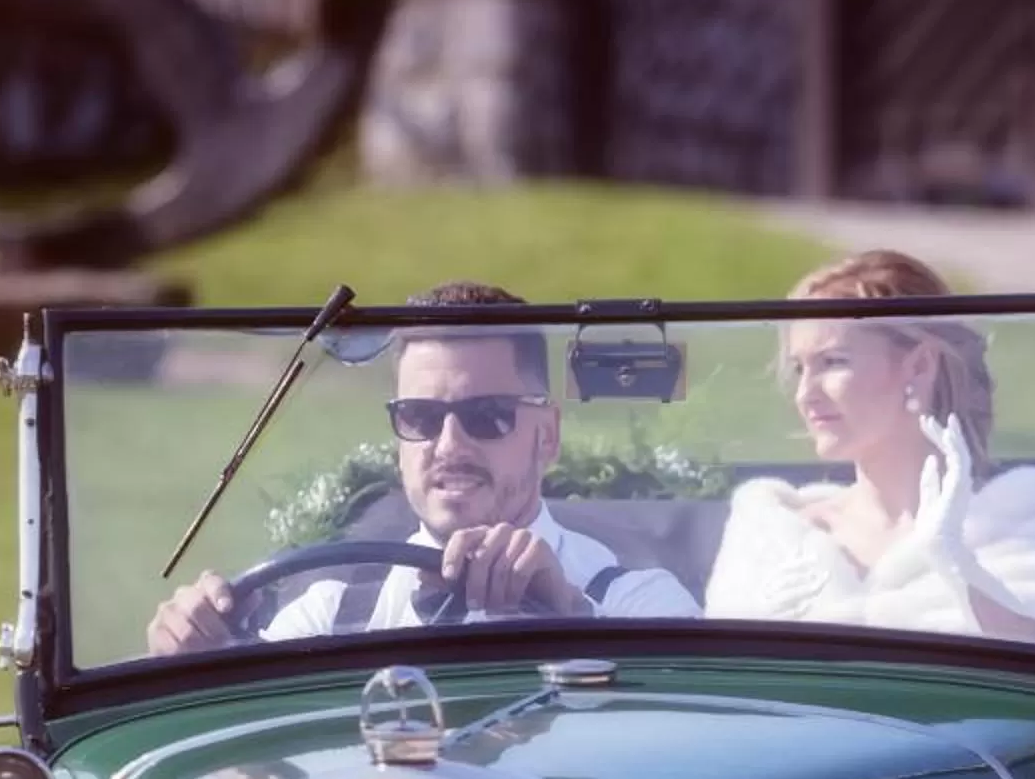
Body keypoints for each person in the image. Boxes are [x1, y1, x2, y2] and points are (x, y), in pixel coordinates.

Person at [147, 280, 699, 654]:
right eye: (420, 416)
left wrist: (572, 620)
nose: (449, 444)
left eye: (487, 415)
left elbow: (690, 733)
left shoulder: (636, 604)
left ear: (547, 434)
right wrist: (196, 649)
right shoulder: (335, 613)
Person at [703, 251, 1035, 645]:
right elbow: (719, 681)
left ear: (919, 366)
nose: (804, 394)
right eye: (799, 368)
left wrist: (961, 569)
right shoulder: (769, 527)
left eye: (832, 362)